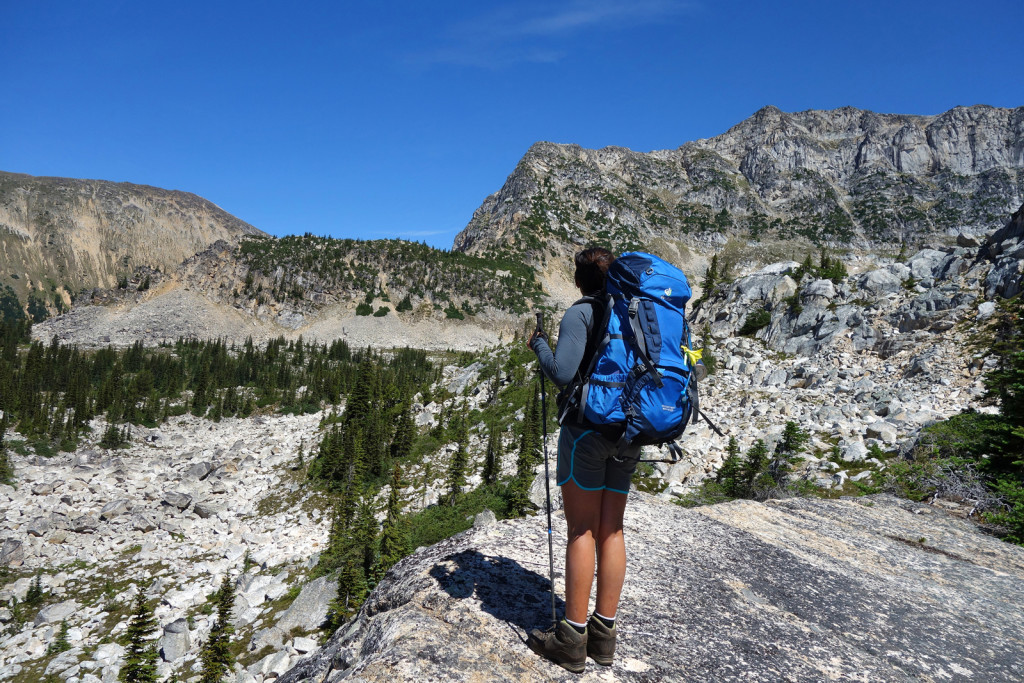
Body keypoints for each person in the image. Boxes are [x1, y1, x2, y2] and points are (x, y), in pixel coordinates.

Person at [525, 246, 640, 673]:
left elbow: (563, 373)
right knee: (612, 529)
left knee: (581, 531)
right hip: (630, 432)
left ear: (579, 280)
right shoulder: (634, 313)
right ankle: (604, 636)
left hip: (587, 431)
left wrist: (539, 345)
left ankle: (572, 638)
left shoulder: (581, 312)